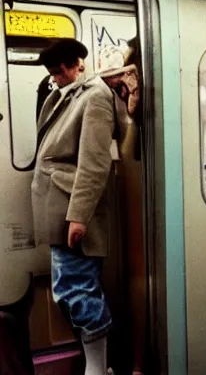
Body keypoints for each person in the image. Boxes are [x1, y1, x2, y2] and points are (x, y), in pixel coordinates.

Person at [32, 39, 117, 375]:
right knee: (68, 290)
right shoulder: (64, 93)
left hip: (73, 211)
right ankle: (98, 367)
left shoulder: (95, 96)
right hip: (59, 209)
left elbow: (95, 163)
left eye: (61, 71)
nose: (57, 78)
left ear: (78, 63)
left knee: (78, 290)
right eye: (53, 74)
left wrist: (79, 217)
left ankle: (98, 370)